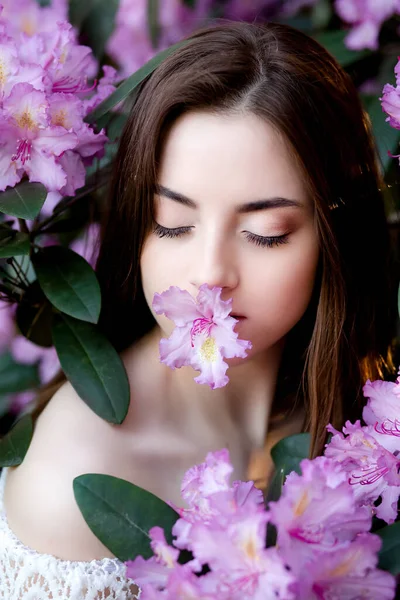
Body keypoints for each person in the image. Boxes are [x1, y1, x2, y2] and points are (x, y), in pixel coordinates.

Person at [0, 18, 397, 599]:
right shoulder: (74, 478)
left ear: (335, 239)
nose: (210, 271)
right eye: (174, 224)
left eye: (265, 233)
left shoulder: (367, 431)